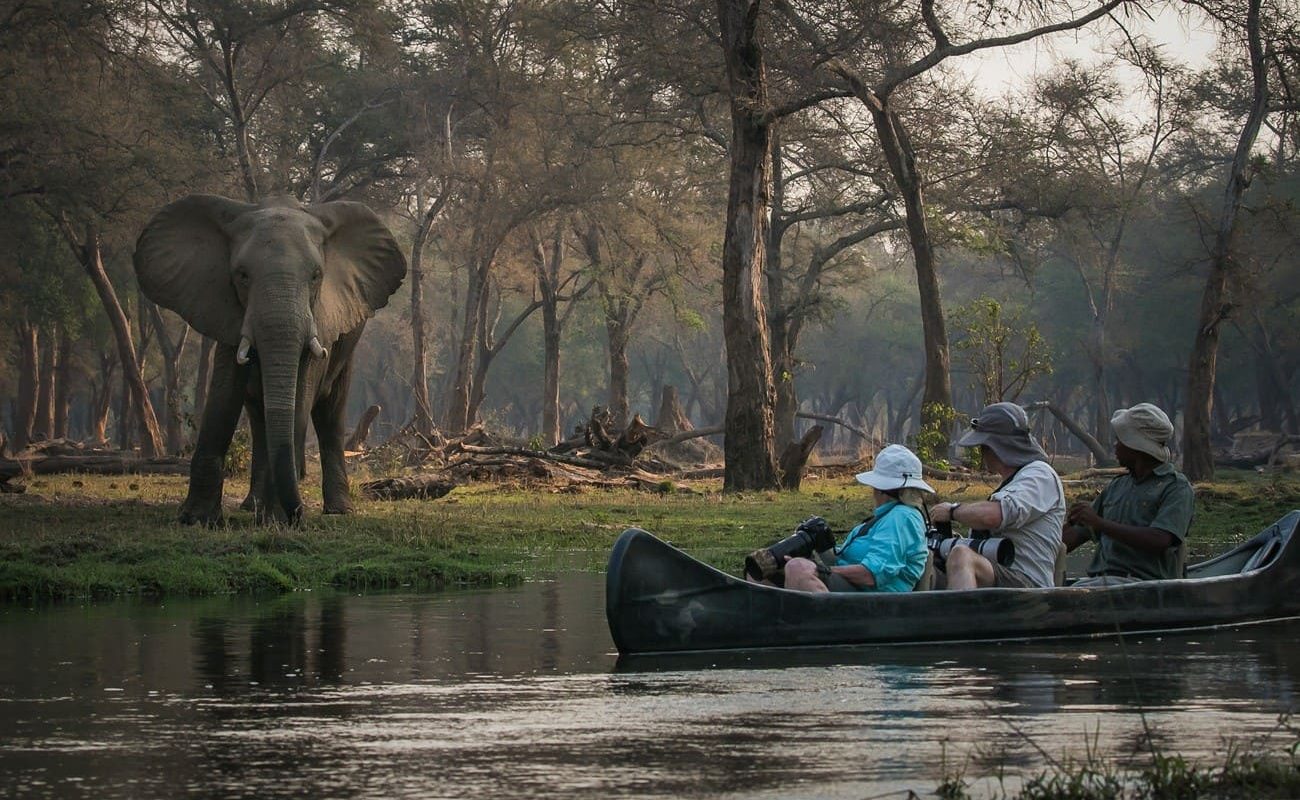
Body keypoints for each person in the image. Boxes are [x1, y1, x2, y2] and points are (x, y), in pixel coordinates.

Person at [930, 402, 1065, 589]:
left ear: (998, 447)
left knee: (962, 555)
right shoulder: (1011, 483)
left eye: (984, 447)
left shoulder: (1040, 474)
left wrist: (952, 511)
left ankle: (963, 617)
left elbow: (994, 516)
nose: (982, 454)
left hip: (1027, 585)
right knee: (927, 566)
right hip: (995, 575)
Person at [1063, 403, 1194, 587]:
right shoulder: (1118, 486)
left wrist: (1099, 523)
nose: (1115, 447)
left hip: (1146, 586)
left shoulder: (1176, 488)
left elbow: (1160, 539)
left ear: (1136, 448)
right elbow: (1076, 535)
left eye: (1120, 441)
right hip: (1101, 582)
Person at [781, 444, 933, 593]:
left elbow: (871, 575)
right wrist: (821, 545)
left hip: (873, 599)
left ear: (881, 490)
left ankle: (828, 617)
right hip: (852, 587)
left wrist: (820, 570)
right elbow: (851, 558)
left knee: (797, 568)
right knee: (767, 571)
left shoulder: (901, 517)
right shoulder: (887, 516)